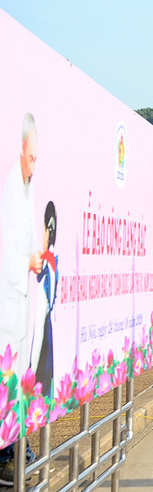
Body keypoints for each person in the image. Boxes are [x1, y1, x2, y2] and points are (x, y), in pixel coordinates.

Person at [1, 113, 38, 381]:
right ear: (22, 146)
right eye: (31, 158)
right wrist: (27, 262)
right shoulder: (10, 189)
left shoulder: (27, 187)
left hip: (20, 307)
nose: (33, 167)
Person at [30, 201, 58, 395]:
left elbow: (41, 313)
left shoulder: (46, 265)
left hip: (43, 328)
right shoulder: (52, 263)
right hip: (47, 328)